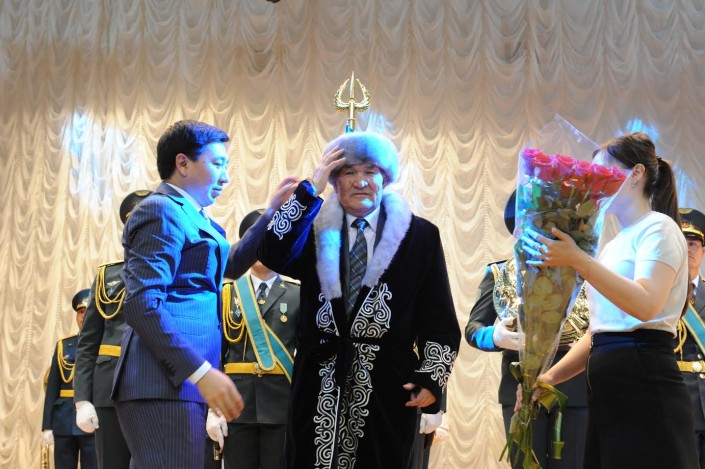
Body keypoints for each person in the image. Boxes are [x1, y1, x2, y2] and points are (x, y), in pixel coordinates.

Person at [258, 131, 461, 468]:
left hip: (387, 387)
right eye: (349, 172)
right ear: (335, 181)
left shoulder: (419, 235)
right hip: (317, 384)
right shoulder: (313, 228)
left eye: (371, 172)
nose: (361, 181)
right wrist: (309, 191)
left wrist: (431, 379)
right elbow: (271, 253)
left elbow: (438, 319)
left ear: (386, 178)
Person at [111, 120, 297, 468]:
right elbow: (141, 304)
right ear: (182, 163)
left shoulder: (196, 218)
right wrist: (199, 371)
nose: (225, 177)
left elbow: (232, 265)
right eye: (217, 164)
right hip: (162, 381)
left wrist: (272, 213)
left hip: (178, 382)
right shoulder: (161, 210)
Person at [521, 132, 698, 467]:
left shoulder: (658, 228)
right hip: (607, 390)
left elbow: (646, 304)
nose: (594, 182)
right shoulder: (614, 244)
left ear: (636, 174)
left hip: (644, 381)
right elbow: (599, 332)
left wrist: (578, 260)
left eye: (603, 171)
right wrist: (548, 378)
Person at [465, 192, 589, 468]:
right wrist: (495, 337)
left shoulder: (584, 273)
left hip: (576, 388)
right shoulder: (500, 273)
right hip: (520, 385)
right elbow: (473, 329)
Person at [207, 209, 301, 469]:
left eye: (269, 244)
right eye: (256, 244)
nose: (262, 252)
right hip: (235, 403)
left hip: (281, 406)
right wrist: (212, 408)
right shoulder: (225, 293)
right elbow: (215, 352)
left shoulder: (298, 295)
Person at [72, 190, 151, 469]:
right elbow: (88, 342)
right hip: (109, 389)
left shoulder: (175, 271)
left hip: (156, 389)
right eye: (135, 223)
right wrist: (82, 400)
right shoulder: (108, 276)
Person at [42, 289, 98, 469]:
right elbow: (52, 389)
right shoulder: (64, 346)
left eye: (88, 311)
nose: (84, 316)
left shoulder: (103, 345)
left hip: (91, 420)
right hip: (64, 421)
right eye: (80, 312)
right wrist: (47, 426)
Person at [675, 207, 705, 467]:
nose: (688, 248)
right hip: (677, 398)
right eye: (682, 242)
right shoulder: (660, 293)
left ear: (703, 251)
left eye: (694, 243)